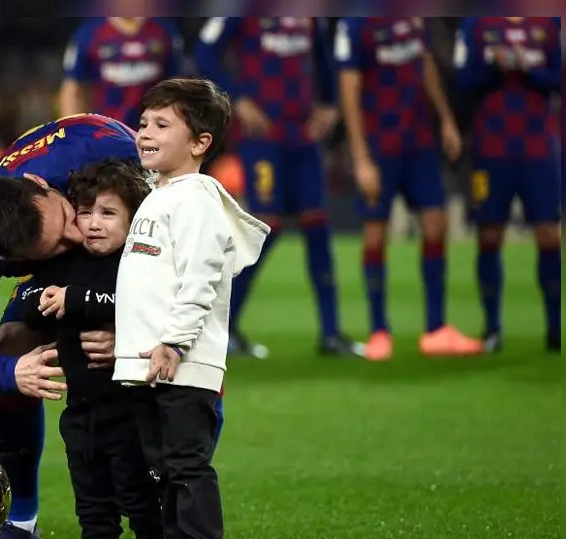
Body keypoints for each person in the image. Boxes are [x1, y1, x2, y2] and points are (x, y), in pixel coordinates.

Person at [0, 112, 229, 539]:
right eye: (53, 248)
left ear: (43, 184)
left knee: (181, 352)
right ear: (8, 259)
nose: (78, 235)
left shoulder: (113, 154)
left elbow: (200, 262)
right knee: (15, 345)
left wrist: (138, 331)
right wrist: (12, 373)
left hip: (143, 252)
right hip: (57, 285)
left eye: (64, 220)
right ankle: (20, 521)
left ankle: (175, 503)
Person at [113, 77, 271, 539]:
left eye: (162, 124)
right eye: (143, 123)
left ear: (200, 143)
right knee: (160, 468)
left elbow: (199, 278)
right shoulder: (158, 195)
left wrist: (175, 343)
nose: (145, 132)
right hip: (149, 362)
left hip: (180, 363)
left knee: (185, 467)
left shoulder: (197, 198)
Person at [20, 158, 165, 539]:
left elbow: (134, 305)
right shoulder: (64, 263)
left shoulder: (138, 262)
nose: (94, 224)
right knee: (88, 484)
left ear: (133, 219)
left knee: (135, 479)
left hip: (131, 403)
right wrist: (44, 299)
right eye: (86, 212)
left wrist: (75, 299)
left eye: (108, 213)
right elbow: (30, 305)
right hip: (80, 403)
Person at [195, 17, 363, 358]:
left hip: (304, 135)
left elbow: (322, 55)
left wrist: (330, 103)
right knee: (266, 227)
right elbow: (204, 52)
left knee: (318, 228)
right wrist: (238, 99)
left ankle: (331, 334)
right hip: (264, 136)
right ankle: (222, 329)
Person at [334, 17, 483, 360]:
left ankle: (435, 329)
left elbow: (424, 62)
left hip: (418, 142)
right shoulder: (357, 22)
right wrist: (360, 158)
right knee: (375, 233)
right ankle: (379, 331)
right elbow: (349, 87)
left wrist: (445, 118)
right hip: (378, 143)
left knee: (436, 223)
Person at [453, 17, 561, 352]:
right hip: (491, 148)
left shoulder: (549, 23)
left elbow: (558, 78)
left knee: (549, 235)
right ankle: (492, 328)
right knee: (489, 236)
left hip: (537, 148)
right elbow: (463, 81)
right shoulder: (474, 25)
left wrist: (526, 68)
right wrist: (493, 67)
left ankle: (555, 328)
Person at [59, 17, 184, 131]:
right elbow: (72, 89)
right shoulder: (89, 32)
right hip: (107, 131)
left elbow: (179, 86)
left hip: (154, 130)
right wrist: (71, 133)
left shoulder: (165, 30)